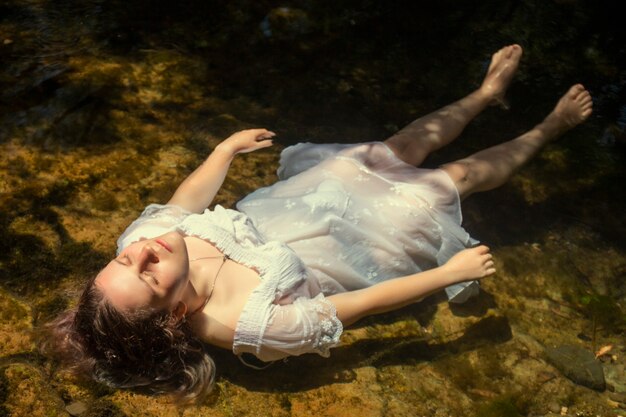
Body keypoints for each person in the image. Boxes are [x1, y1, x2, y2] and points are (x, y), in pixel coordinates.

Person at [44, 44, 593, 403]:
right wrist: (447, 271)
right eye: (146, 274)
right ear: (178, 311)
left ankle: (484, 95)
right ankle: (549, 127)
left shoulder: (142, 241)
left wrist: (222, 152)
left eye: (122, 258)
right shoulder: (246, 325)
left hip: (303, 203)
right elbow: (360, 306)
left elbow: (183, 203)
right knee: (454, 178)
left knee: (395, 147)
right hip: (357, 244)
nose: (141, 251)